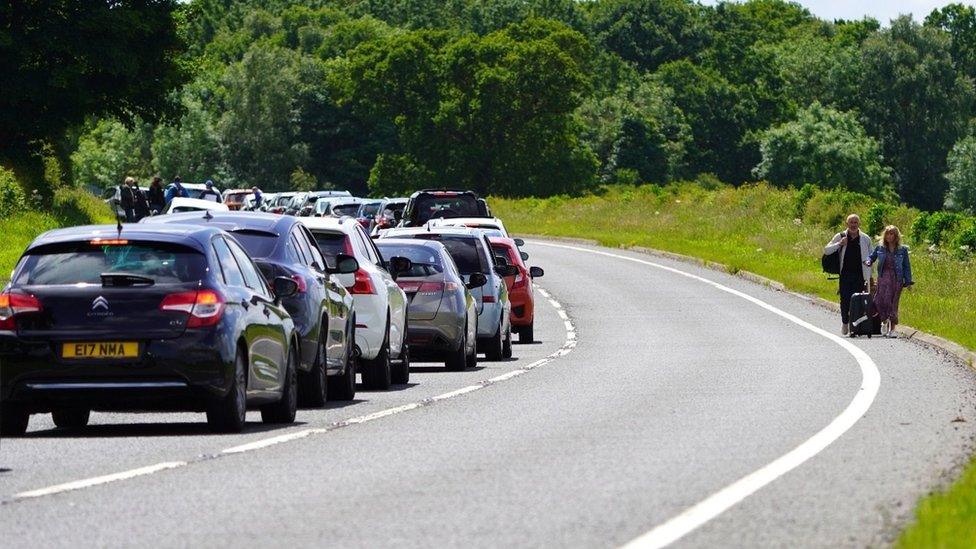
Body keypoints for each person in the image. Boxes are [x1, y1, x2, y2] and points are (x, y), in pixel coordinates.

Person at [824, 214, 873, 335]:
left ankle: (854, 327)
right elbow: (826, 250)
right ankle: (845, 322)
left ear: (859, 224)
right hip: (845, 274)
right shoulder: (840, 236)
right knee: (845, 300)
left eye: (856, 222)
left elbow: (872, 257)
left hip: (860, 275)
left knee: (857, 301)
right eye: (851, 222)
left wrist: (870, 275)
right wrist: (839, 244)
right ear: (847, 224)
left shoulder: (865, 239)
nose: (853, 225)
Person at [864, 225, 914, 338]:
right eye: (887, 233)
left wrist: (908, 281)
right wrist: (868, 261)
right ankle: (884, 321)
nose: (889, 236)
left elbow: (906, 266)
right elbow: (871, 257)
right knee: (880, 301)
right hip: (883, 279)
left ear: (896, 236)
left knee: (893, 304)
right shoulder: (880, 248)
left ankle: (892, 329)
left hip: (897, 280)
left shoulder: (903, 250)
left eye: (892, 234)